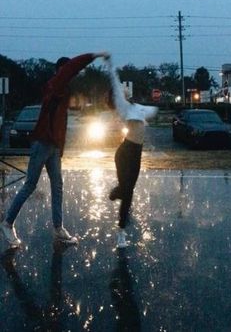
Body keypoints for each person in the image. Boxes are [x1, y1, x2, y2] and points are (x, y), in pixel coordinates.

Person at [0, 52, 107, 247]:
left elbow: (62, 123)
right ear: (62, 72)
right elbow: (71, 68)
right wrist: (94, 55)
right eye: (69, 73)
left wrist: (61, 148)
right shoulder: (55, 85)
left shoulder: (63, 91)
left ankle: (58, 229)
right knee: (30, 184)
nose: (73, 77)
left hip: (53, 146)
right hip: (42, 143)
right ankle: (7, 223)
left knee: (57, 186)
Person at [105, 56, 158, 248]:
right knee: (127, 192)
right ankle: (121, 232)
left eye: (125, 88)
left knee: (129, 191)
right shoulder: (124, 107)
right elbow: (114, 79)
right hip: (125, 153)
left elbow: (153, 110)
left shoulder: (138, 107)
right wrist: (109, 63)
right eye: (122, 90)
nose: (125, 89)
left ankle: (117, 196)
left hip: (136, 153)